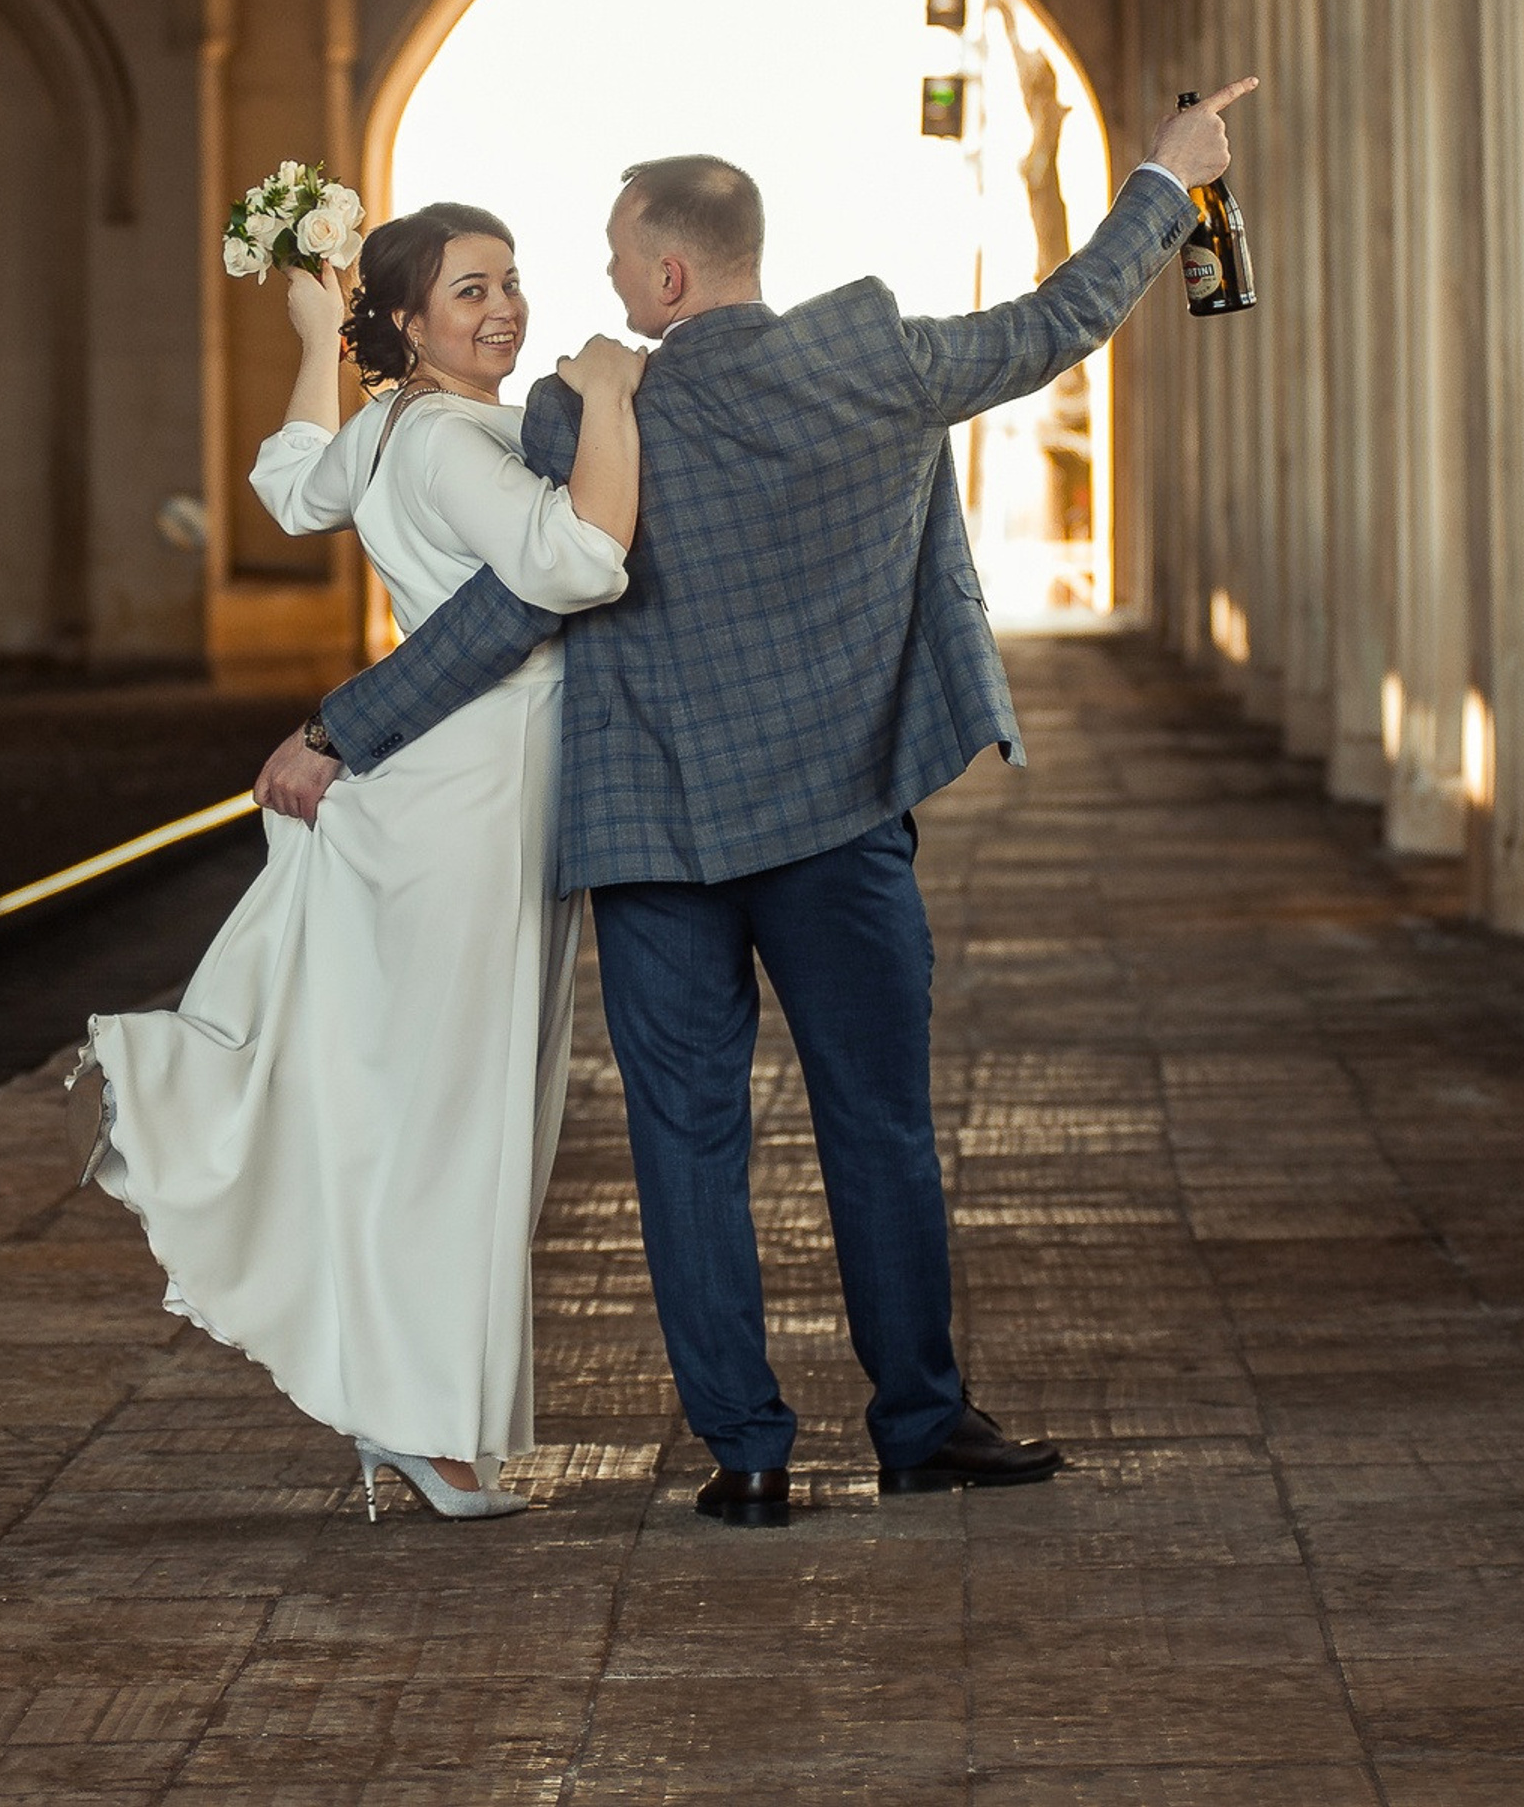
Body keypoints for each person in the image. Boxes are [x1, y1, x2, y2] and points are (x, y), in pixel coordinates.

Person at [258, 80, 1256, 1526]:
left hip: (657, 838)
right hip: (842, 821)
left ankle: (749, 1452)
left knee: (689, 1143)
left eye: (607, 262)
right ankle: (921, 1425)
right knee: (879, 1126)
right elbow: (1063, 317)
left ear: (667, 276)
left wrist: (342, 730)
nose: (589, 292)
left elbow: (504, 613)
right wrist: (1168, 177)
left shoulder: (578, 416)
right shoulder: (882, 359)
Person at [72, 204, 646, 1523]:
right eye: (468, 292)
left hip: (424, 791)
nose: (502, 309)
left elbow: (286, 482)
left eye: (509, 282)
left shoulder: (385, 429)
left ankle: (419, 1412)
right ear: (405, 323)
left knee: (427, 1108)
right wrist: (611, 394)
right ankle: (431, 1430)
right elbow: (577, 561)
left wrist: (299, 345)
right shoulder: (449, 442)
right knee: (468, 1118)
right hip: (478, 789)